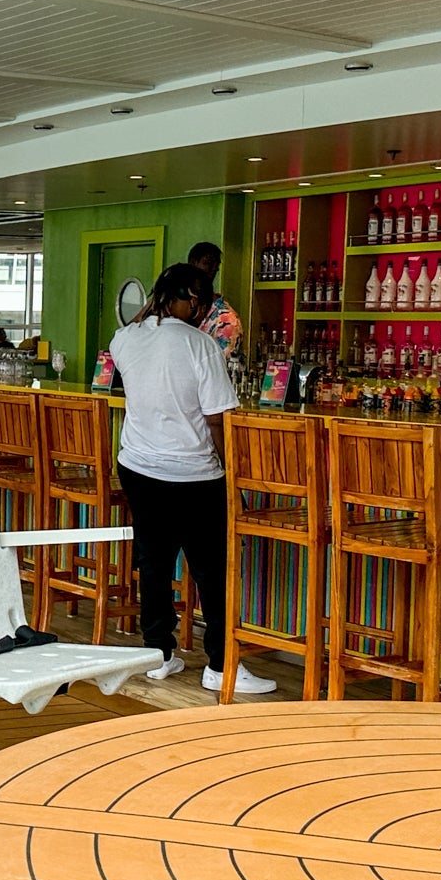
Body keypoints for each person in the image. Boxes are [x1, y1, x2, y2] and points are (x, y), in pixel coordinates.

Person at [109, 262, 275, 696]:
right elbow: (218, 418)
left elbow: (139, 350)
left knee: (154, 563)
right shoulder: (201, 345)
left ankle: (158, 655)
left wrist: (156, 305)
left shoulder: (123, 339)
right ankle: (220, 665)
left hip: (138, 466)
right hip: (192, 472)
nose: (203, 313)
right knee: (212, 571)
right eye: (201, 304)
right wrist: (232, 471)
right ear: (192, 299)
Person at [188, 241, 241, 361]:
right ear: (192, 263)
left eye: (215, 265)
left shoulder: (226, 319)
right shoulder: (183, 309)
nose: (212, 269)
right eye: (207, 263)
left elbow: (223, 363)